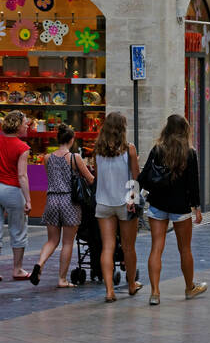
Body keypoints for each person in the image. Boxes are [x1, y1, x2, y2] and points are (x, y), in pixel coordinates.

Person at [139, 114, 206, 306]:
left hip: (158, 204)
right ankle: (189, 288)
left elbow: (143, 177)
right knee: (184, 249)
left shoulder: (157, 150)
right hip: (181, 206)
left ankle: (155, 293)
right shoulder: (190, 153)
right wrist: (197, 208)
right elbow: (194, 184)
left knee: (156, 248)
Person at [29, 123, 94, 290]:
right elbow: (90, 179)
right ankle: (62, 279)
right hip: (69, 202)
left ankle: (39, 264)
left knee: (52, 240)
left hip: (51, 200)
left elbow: (51, 177)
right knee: (67, 243)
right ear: (72, 140)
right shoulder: (74, 158)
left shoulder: (47, 158)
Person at [91, 112, 141, 299]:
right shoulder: (129, 149)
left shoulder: (98, 150)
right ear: (122, 128)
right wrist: (133, 199)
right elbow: (136, 178)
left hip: (103, 203)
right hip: (124, 202)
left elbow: (98, 177)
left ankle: (110, 290)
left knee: (108, 247)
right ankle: (131, 285)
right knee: (129, 247)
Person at [0, 110, 33, 280]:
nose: (27, 125)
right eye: (25, 123)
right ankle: (17, 269)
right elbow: (22, 175)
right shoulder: (22, 147)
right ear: (18, 126)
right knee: (18, 229)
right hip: (12, 189)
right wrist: (28, 200)